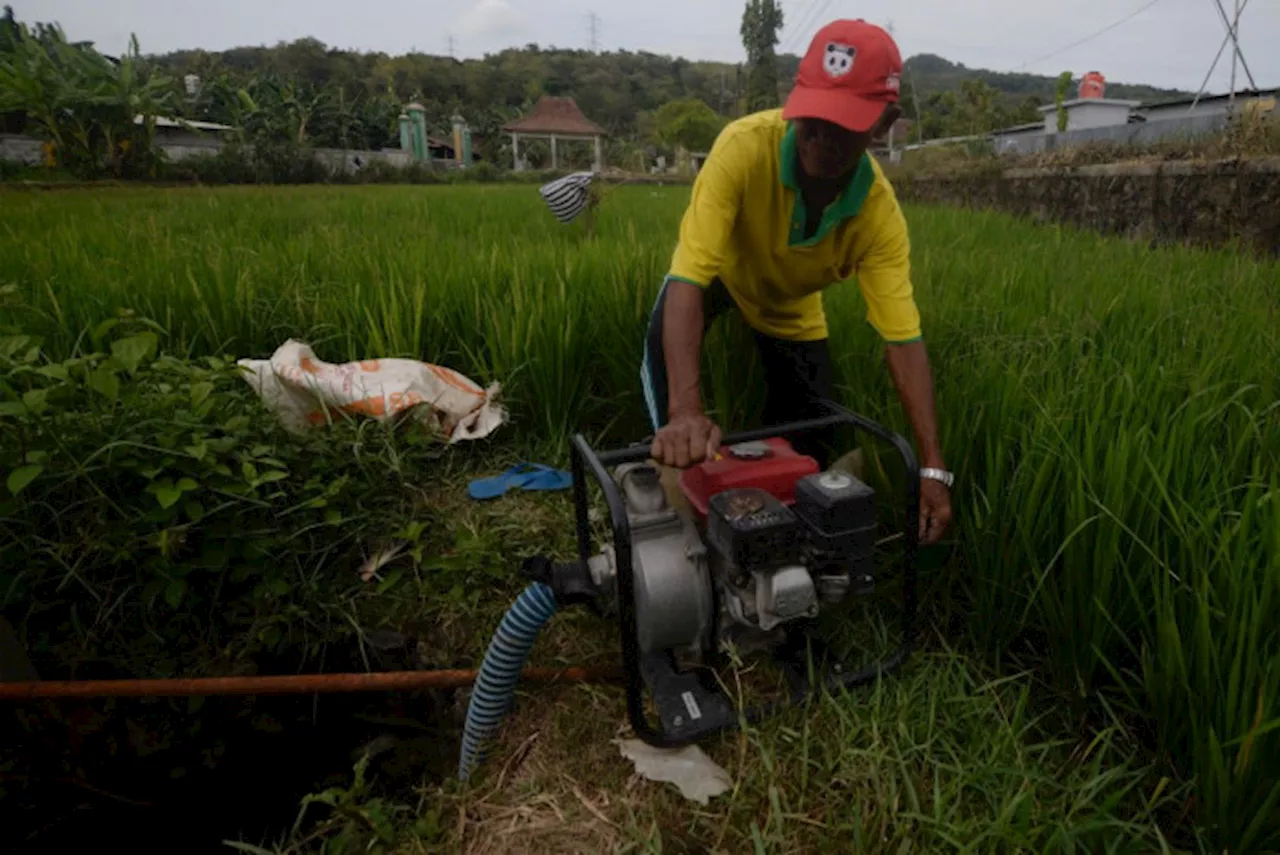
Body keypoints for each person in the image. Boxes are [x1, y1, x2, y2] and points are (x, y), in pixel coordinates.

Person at [641, 18, 954, 546]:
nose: (819, 135)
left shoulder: (878, 217)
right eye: (813, 114)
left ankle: (769, 558)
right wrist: (686, 412)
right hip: (720, 277)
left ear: (884, 123)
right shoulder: (743, 148)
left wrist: (931, 468)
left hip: (788, 308)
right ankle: (669, 527)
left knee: (811, 448)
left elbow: (902, 340)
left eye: (844, 122)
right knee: (673, 424)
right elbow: (689, 279)